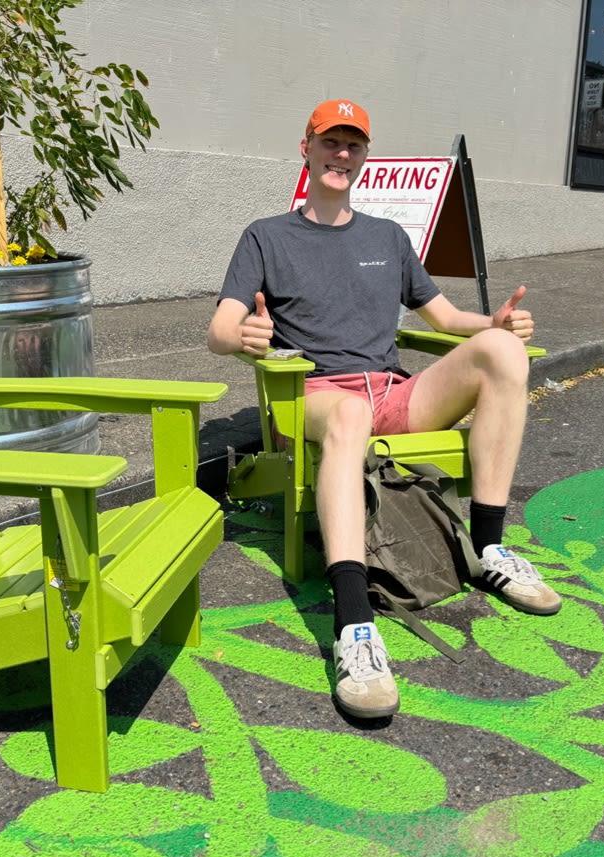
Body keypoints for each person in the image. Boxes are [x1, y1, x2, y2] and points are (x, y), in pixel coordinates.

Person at [207, 99, 560, 720]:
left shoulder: (387, 237)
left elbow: (446, 319)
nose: (341, 155)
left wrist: (497, 322)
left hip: (390, 392)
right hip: (315, 396)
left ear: (365, 157)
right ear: (306, 149)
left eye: (354, 145)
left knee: (504, 353)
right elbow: (219, 329)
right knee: (347, 415)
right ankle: (355, 629)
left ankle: (490, 552)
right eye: (330, 142)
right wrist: (245, 339)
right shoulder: (266, 235)